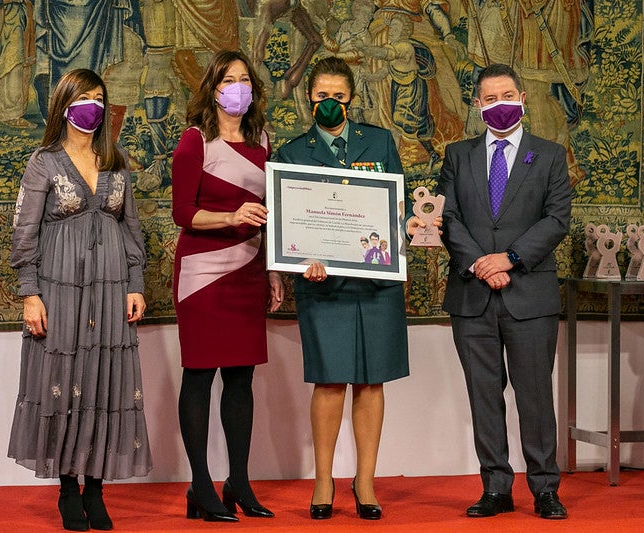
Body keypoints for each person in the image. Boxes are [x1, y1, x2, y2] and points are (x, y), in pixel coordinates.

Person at [410, 63, 571, 519]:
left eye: (507, 95)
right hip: (472, 296)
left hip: (530, 295)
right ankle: (496, 488)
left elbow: (556, 219)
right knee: (484, 394)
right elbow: (446, 218)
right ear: (477, 105)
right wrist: (482, 264)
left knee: (535, 395)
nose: (499, 103)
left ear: (522, 98)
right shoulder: (457, 155)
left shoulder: (550, 154)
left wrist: (510, 258)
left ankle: (544, 488)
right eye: (489, 97)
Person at [8, 68, 152, 531]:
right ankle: (67, 487)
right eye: (84, 96)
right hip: (60, 289)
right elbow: (24, 235)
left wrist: (136, 284)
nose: (93, 104)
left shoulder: (116, 160)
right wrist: (30, 295)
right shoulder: (43, 162)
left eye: (99, 97)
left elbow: (131, 229)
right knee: (64, 377)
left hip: (111, 291)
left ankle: (96, 488)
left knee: (104, 381)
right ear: (66, 104)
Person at [276, 56, 409, 521]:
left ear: (351, 97)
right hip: (323, 284)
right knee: (330, 379)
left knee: (372, 381)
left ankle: (366, 481)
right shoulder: (291, 153)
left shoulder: (380, 141)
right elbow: (289, 222)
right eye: (321, 96)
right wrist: (299, 259)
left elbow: (399, 206)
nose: (329, 102)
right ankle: (324, 479)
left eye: (337, 95)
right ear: (308, 98)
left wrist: (404, 229)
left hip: (376, 281)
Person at [171, 50, 283, 523]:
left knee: (241, 378)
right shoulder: (194, 141)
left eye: (244, 79)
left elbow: (274, 212)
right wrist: (232, 217)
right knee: (200, 374)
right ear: (212, 89)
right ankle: (200, 485)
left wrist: (274, 272)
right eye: (227, 79)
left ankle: (238, 481)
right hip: (202, 276)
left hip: (249, 271)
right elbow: (183, 213)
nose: (237, 87)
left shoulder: (264, 141)